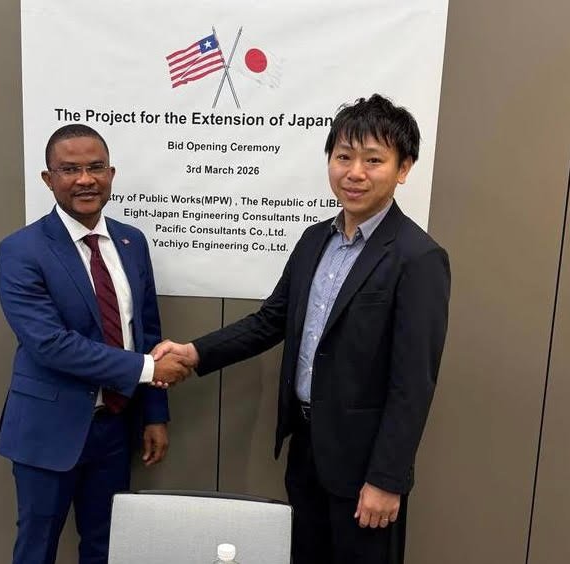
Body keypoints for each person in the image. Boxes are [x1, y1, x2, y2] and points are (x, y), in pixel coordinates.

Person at [153, 94, 451, 564]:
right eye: (343, 157)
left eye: (374, 160)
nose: (355, 173)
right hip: (307, 450)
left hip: (365, 465)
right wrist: (194, 352)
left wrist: (387, 479)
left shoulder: (418, 257)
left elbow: (413, 383)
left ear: (404, 168)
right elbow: (270, 321)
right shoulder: (315, 240)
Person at [0, 124, 191, 564]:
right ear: (48, 179)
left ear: (111, 174)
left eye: (96, 167)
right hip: (48, 430)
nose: (85, 179)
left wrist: (154, 414)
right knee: (36, 549)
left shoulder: (131, 242)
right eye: (70, 169)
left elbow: (147, 331)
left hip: (114, 428)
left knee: (106, 547)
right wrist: (147, 370)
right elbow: (50, 344)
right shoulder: (21, 250)